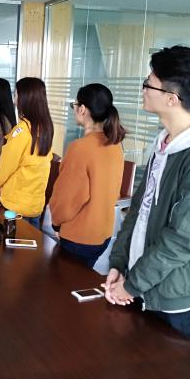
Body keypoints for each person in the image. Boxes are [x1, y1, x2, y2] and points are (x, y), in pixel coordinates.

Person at [102, 46, 190, 343]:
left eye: (149, 84)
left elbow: (181, 239)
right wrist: (119, 264)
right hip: (142, 282)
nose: (143, 90)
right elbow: (139, 211)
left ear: (171, 99)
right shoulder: (164, 144)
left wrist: (132, 284)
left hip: (174, 299)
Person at [50, 84, 125, 267]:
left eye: (74, 105)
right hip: (103, 234)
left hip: (78, 236)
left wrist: (56, 224)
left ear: (82, 109)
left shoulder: (80, 148)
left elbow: (66, 199)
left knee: (63, 283)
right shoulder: (115, 145)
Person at [0, 77, 53, 227]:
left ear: (25, 99)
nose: (14, 100)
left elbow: (7, 165)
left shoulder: (21, 131)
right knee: (31, 241)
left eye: (16, 95)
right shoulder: (46, 129)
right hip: (35, 205)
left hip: (16, 205)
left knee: (11, 241)